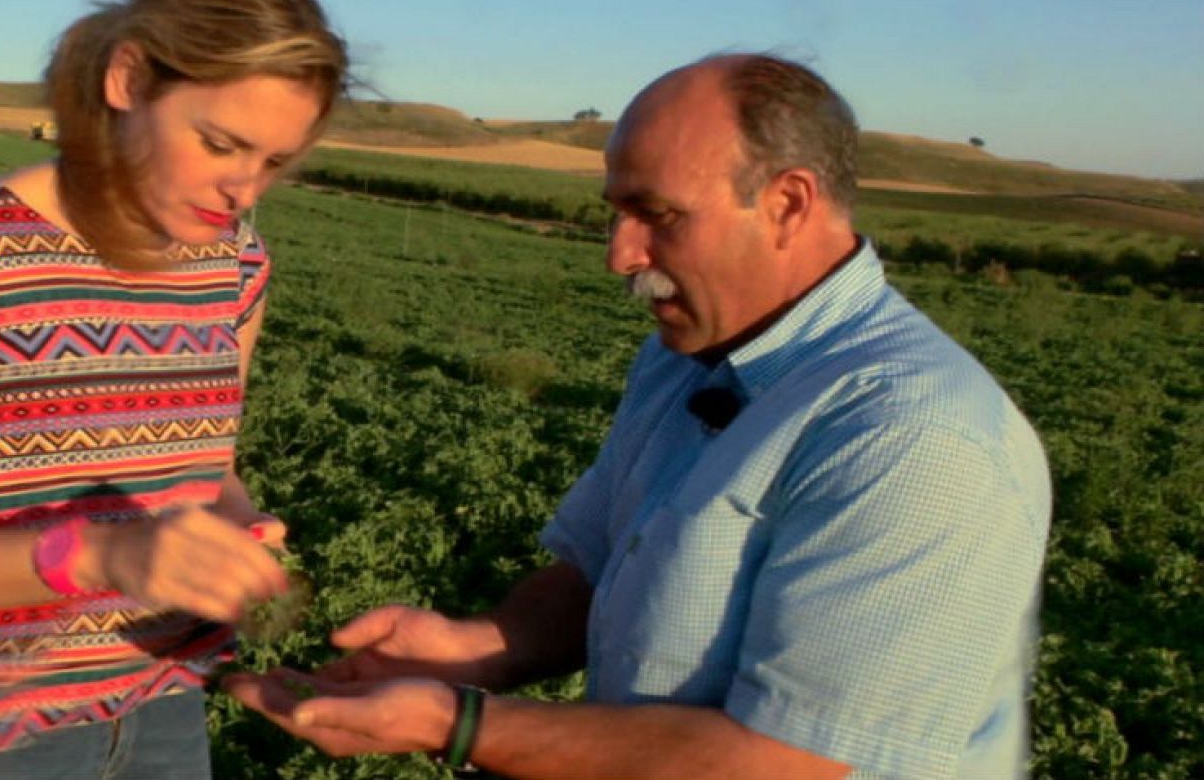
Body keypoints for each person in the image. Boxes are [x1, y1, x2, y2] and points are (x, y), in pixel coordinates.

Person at [226, 54, 1052, 779]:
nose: (620, 254)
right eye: (615, 212)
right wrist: (474, 648)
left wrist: (460, 724)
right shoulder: (683, 358)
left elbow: (783, 761)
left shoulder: (909, 436)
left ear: (787, 204)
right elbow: (600, 571)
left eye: (659, 216)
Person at [0, 0, 348, 776]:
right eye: (220, 143)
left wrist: (232, 529)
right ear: (129, 80)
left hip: (161, 701)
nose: (245, 190)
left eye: (273, 162)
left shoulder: (236, 266)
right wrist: (102, 556)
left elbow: (209, 467)